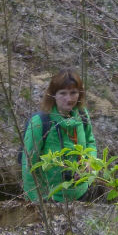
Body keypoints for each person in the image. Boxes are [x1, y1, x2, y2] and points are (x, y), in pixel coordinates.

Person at [21, 68, 98, 202]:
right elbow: (28, 165)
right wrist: (37, 202)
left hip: (81, 194)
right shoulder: (40, 123)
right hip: (50, 199)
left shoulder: (82, 115)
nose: (69, 99)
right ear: (53, 95)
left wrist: (90, 162)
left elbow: (91, 143)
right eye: (63, 93)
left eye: (73, 93)